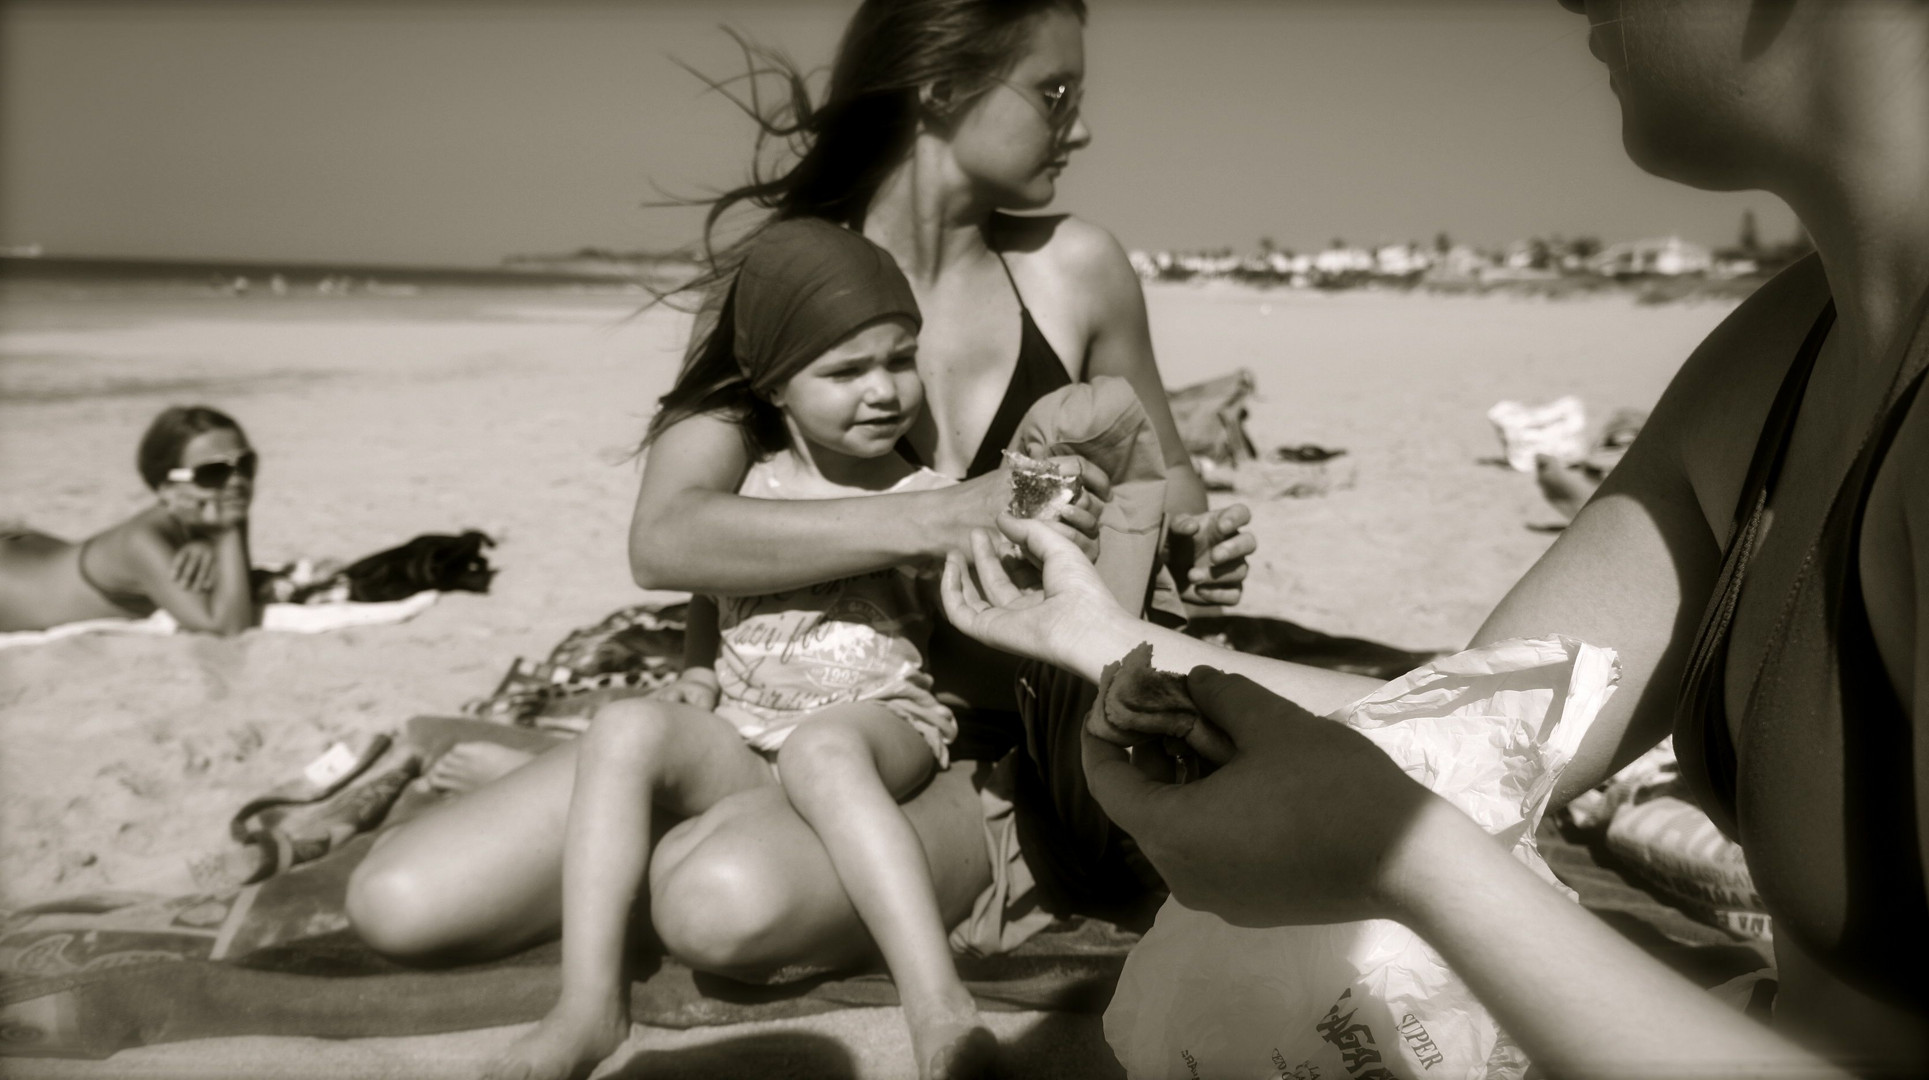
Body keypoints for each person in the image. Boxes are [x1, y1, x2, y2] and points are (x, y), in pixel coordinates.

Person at [941, 1, 1929, 1074]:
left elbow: (1417, 809)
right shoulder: (1778, 357)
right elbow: (1476, 721)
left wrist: (1411, 865)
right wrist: (1097, 634)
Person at [352, 0, 1252, 1004]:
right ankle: (716, 822)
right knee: (399, 901)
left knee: (715, 908)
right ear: (942, 88)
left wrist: (1189, 539)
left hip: (982, 748)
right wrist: (936, 517)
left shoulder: (1077, 268)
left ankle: (755, 856)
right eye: (1053, 93)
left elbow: (1162, 469)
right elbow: (668, 536)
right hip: (763, 717)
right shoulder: (785, 278)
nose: (1077, 127)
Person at [483, 220, 995, 1080]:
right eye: (844, 372)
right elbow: (705, 595)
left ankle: (938, 1008)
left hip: (878, 724)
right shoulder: (742, 494)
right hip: (752, 735)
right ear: (773, 388)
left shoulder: (928, 499)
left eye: (899, 359)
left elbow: (986, 597)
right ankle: (587, 1006)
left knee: (827, 750)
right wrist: (690, 669)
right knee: (621, 728)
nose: (882, 391)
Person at [0, 405, 256, 636]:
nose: (237, 481)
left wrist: (209, 542)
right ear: (168, 488)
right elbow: (225, 628)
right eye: (213, 473)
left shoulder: (199, 521)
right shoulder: (142, 541)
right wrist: (228, 532)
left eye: (245, 465)